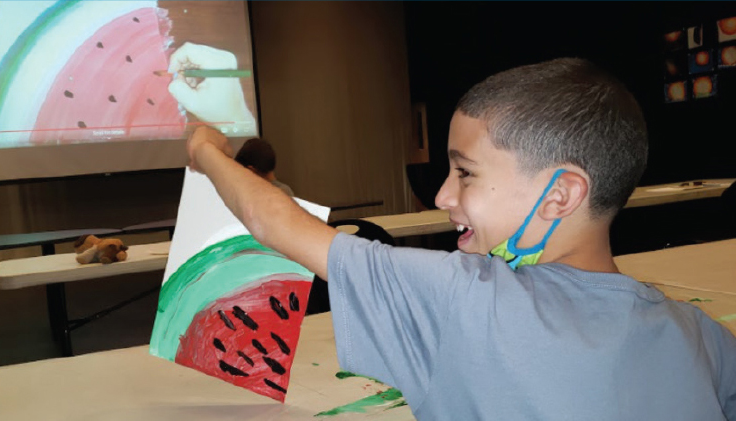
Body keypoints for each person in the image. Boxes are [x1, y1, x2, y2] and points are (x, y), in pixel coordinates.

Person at [182, 58, 736, 420]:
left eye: (465, 173)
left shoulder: (464, 298)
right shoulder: (702, 337)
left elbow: (272, 223)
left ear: (561, 195)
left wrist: (207, 151)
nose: (443, 195)